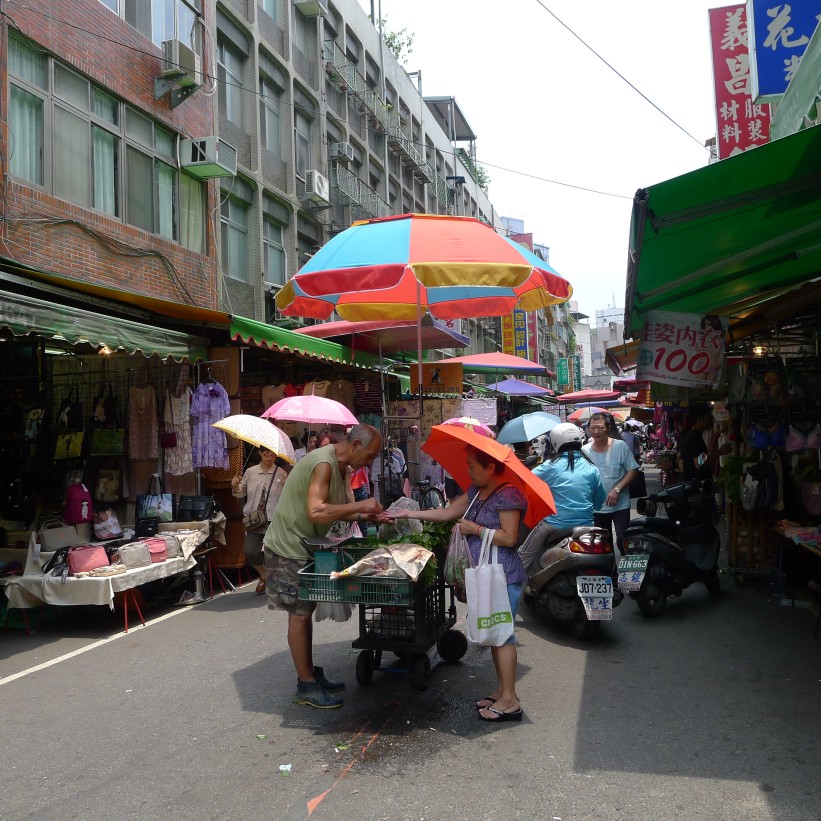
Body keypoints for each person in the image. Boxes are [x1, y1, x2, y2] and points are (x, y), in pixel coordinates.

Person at [392, 445, 527, 723]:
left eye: (472, 466)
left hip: (503, 577)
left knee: (503, 636)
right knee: (493, 633)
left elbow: (510, 537)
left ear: (490, 467)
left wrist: (475, 529)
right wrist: (408, 514)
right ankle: (501, 691)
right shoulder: (477, 491)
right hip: (485, 576)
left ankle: (510, 700)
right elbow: (448, 512)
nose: (468, 471)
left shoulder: (509, 494)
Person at [263, 424, 387, 709]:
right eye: (369, 455)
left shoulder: (342, 467)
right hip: (288, 545)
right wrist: (361, 506)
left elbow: (334, 511)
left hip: (307, 544)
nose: (369, 462)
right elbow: (316, 510)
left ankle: (309, 672)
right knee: (299, 614)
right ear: (355, 444)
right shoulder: (323, 463)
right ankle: (305, 684)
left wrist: (367, 517)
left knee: (306, 610)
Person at [531, 423, 606, 545]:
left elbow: (527, 482)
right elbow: (599, 503)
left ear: (555, 442)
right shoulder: (592, 468)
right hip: (586, 526)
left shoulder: (549, 466)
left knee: (524, 554)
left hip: (555, 525)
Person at [232, 447, 290, 595]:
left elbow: (287, 497)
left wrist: (287, 484)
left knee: (274, 552)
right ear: (260, 453)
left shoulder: (281, 473)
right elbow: (240, 493)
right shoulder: (250, 472)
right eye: (266, 453)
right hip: (255, 519)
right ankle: (264, 575)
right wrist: (235, 486)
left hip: (274, 518)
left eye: (273, 454)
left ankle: (276, 584)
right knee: (250, 550)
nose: (270, 457)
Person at [581, 412, 640, 554]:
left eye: (600, 428)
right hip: (597, 508)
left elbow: (633, 470)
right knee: (603, 546)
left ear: (608, 428)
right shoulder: (584, 451)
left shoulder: (620, 446)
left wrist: (617, 489)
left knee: (623, 541)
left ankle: (628, 567)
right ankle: (611, 569)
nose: (596, 431)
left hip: (620, 505)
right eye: (592, 428)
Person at [678, 402, 732, 484]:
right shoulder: (695, 437)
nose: (710, 421)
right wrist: (720, 452)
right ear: (699, 420)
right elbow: (699, 463)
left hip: (692, 485)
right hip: (698, 487)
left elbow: (681, 464)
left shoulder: (689, 436)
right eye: (708, 418)